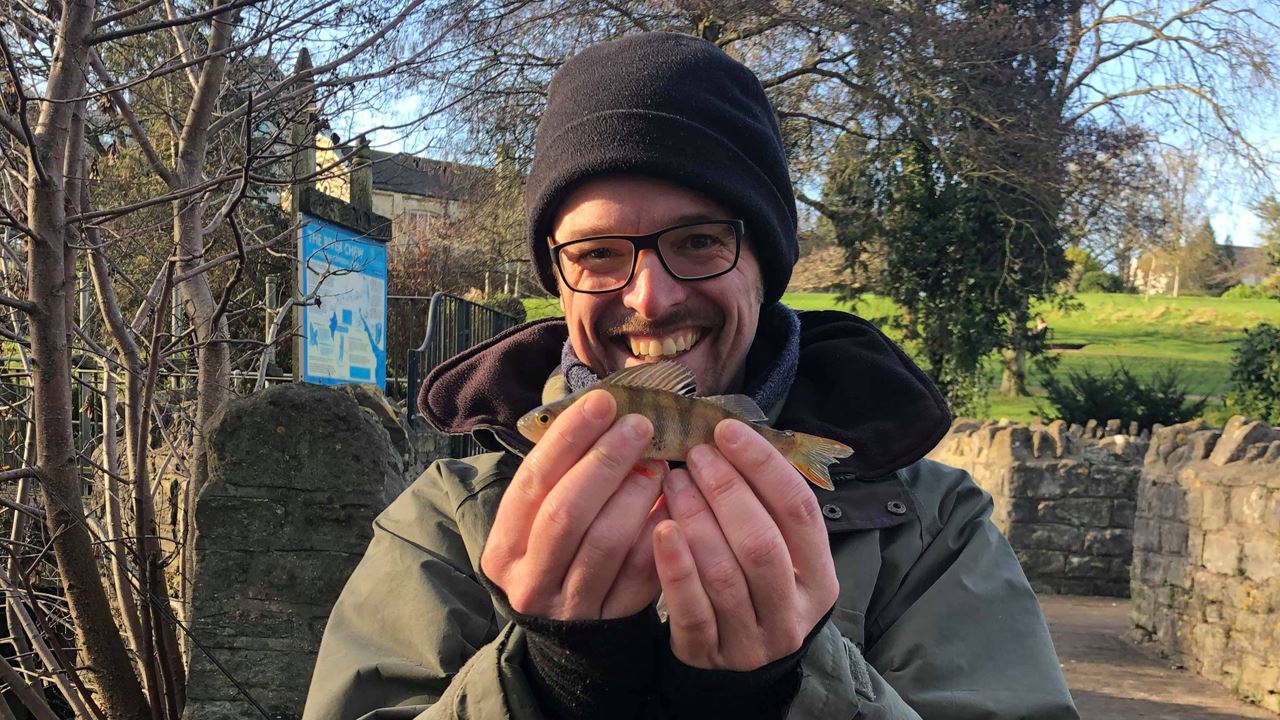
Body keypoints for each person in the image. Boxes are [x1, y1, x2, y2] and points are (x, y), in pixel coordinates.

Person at [303, 32, 1079, 720]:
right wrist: (550, 678)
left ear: (764, 263)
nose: (651, 296)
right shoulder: (443, 523)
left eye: (701, 240)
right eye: (599, 253)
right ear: (557, 276)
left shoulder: (934, 525)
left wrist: (789, 687)